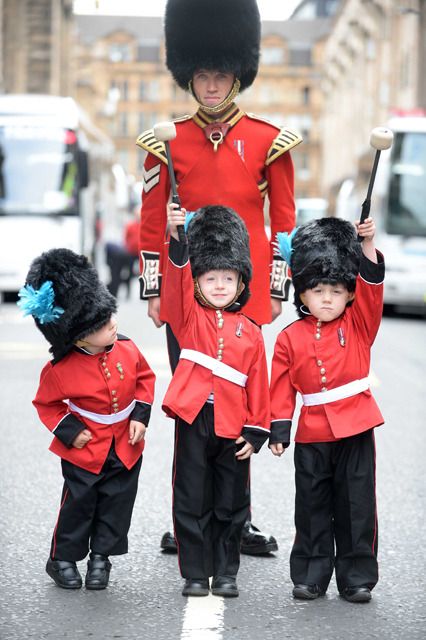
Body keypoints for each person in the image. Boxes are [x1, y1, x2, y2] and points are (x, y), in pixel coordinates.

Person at [137, 0, 301, 555]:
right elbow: (150, 222)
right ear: (189, 74)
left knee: (241, 406)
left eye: (220, 74)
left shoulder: (268, 140)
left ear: (239, 73)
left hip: (244, 296)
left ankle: (236, 520)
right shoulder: (165, 139)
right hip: (185, 296)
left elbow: (284, 224)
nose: (210, 85)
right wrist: (155, 289)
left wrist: (278, 288)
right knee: (190, 406)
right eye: (202, 74)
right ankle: (189, 520)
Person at [18, 248, 155, 590]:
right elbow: (47, 404)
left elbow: (144, 380)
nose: (113, 324)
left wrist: (140, 416)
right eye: (101, 324)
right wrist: (70, 431)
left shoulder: (127, 347)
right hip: (86, 449)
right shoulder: (60, 370)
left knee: (116, 507)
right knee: (78, 507)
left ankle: (100, 559)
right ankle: (62, 558)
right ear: (76, 335)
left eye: (109, 316)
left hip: (125, 445)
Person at [269, 216, 385, 603]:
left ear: (349, 295)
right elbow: (282, 386)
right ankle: (311, 574)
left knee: (356, 505)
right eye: (317, 290)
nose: (328, 298)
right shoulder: (288, 337)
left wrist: (366, 244)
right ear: (301, 293)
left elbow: (371, 286)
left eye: (336, 290)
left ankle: (356, 577)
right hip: (313, 432)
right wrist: (280, 430)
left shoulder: (360, 323)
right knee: (312, 506)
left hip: (356, 426)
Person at [162, 203, 270, 597]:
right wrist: (177, 237)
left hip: (234, 424)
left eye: (228, 277)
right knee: (190, 498)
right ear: (197, 282)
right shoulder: (187, 316)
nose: (220, 285)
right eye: (210, 277)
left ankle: (226, 572)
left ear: (242, 282)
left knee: (231, 504)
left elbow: (259, 383)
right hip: (193, 419)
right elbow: (175, 281)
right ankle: (194, 572)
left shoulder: (252, 331)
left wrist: (256, 432)